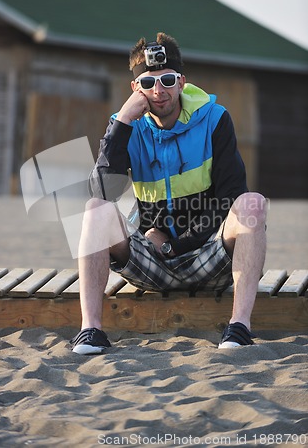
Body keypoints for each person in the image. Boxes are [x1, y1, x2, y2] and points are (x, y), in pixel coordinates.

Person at [69, 32, 267, 354]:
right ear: (136, 89)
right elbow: (104, 192)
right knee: (95, 208)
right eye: (148, 84)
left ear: (181, 81)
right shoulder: (126, 128)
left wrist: (175, 244)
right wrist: (123, 121)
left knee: (252, 204)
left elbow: (231, 196)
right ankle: (91, 331)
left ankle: (239, 327)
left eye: (167, 80)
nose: (158, 91)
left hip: (208, 256)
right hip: (153, 262)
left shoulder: (215, 119)